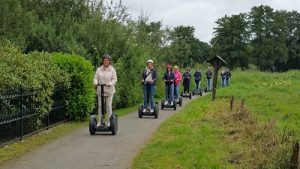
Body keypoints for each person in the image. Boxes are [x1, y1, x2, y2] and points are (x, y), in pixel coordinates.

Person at [93, 54, 117, 127]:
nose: (106, 62)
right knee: (100, 106)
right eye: (104, 60)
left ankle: (109, 121)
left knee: (108, 106)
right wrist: (95, 82)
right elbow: (95, 78)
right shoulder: (99, 69)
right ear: (102, 61)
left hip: (109, 91)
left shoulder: (112, 70)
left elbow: (114, 79)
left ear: (109, 61)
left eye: (107, 60)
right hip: (100, 90)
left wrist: (110, 83)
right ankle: (100, 121)